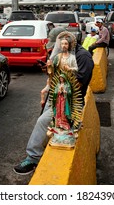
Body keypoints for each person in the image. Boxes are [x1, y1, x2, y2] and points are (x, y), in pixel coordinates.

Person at [13, 31, 94, 175]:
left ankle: (33, 158)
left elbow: (77, 85)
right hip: (55, 96)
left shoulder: (83, 58)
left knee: (42, 121)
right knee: (44, 121)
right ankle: (40, 148)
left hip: (70, 102)